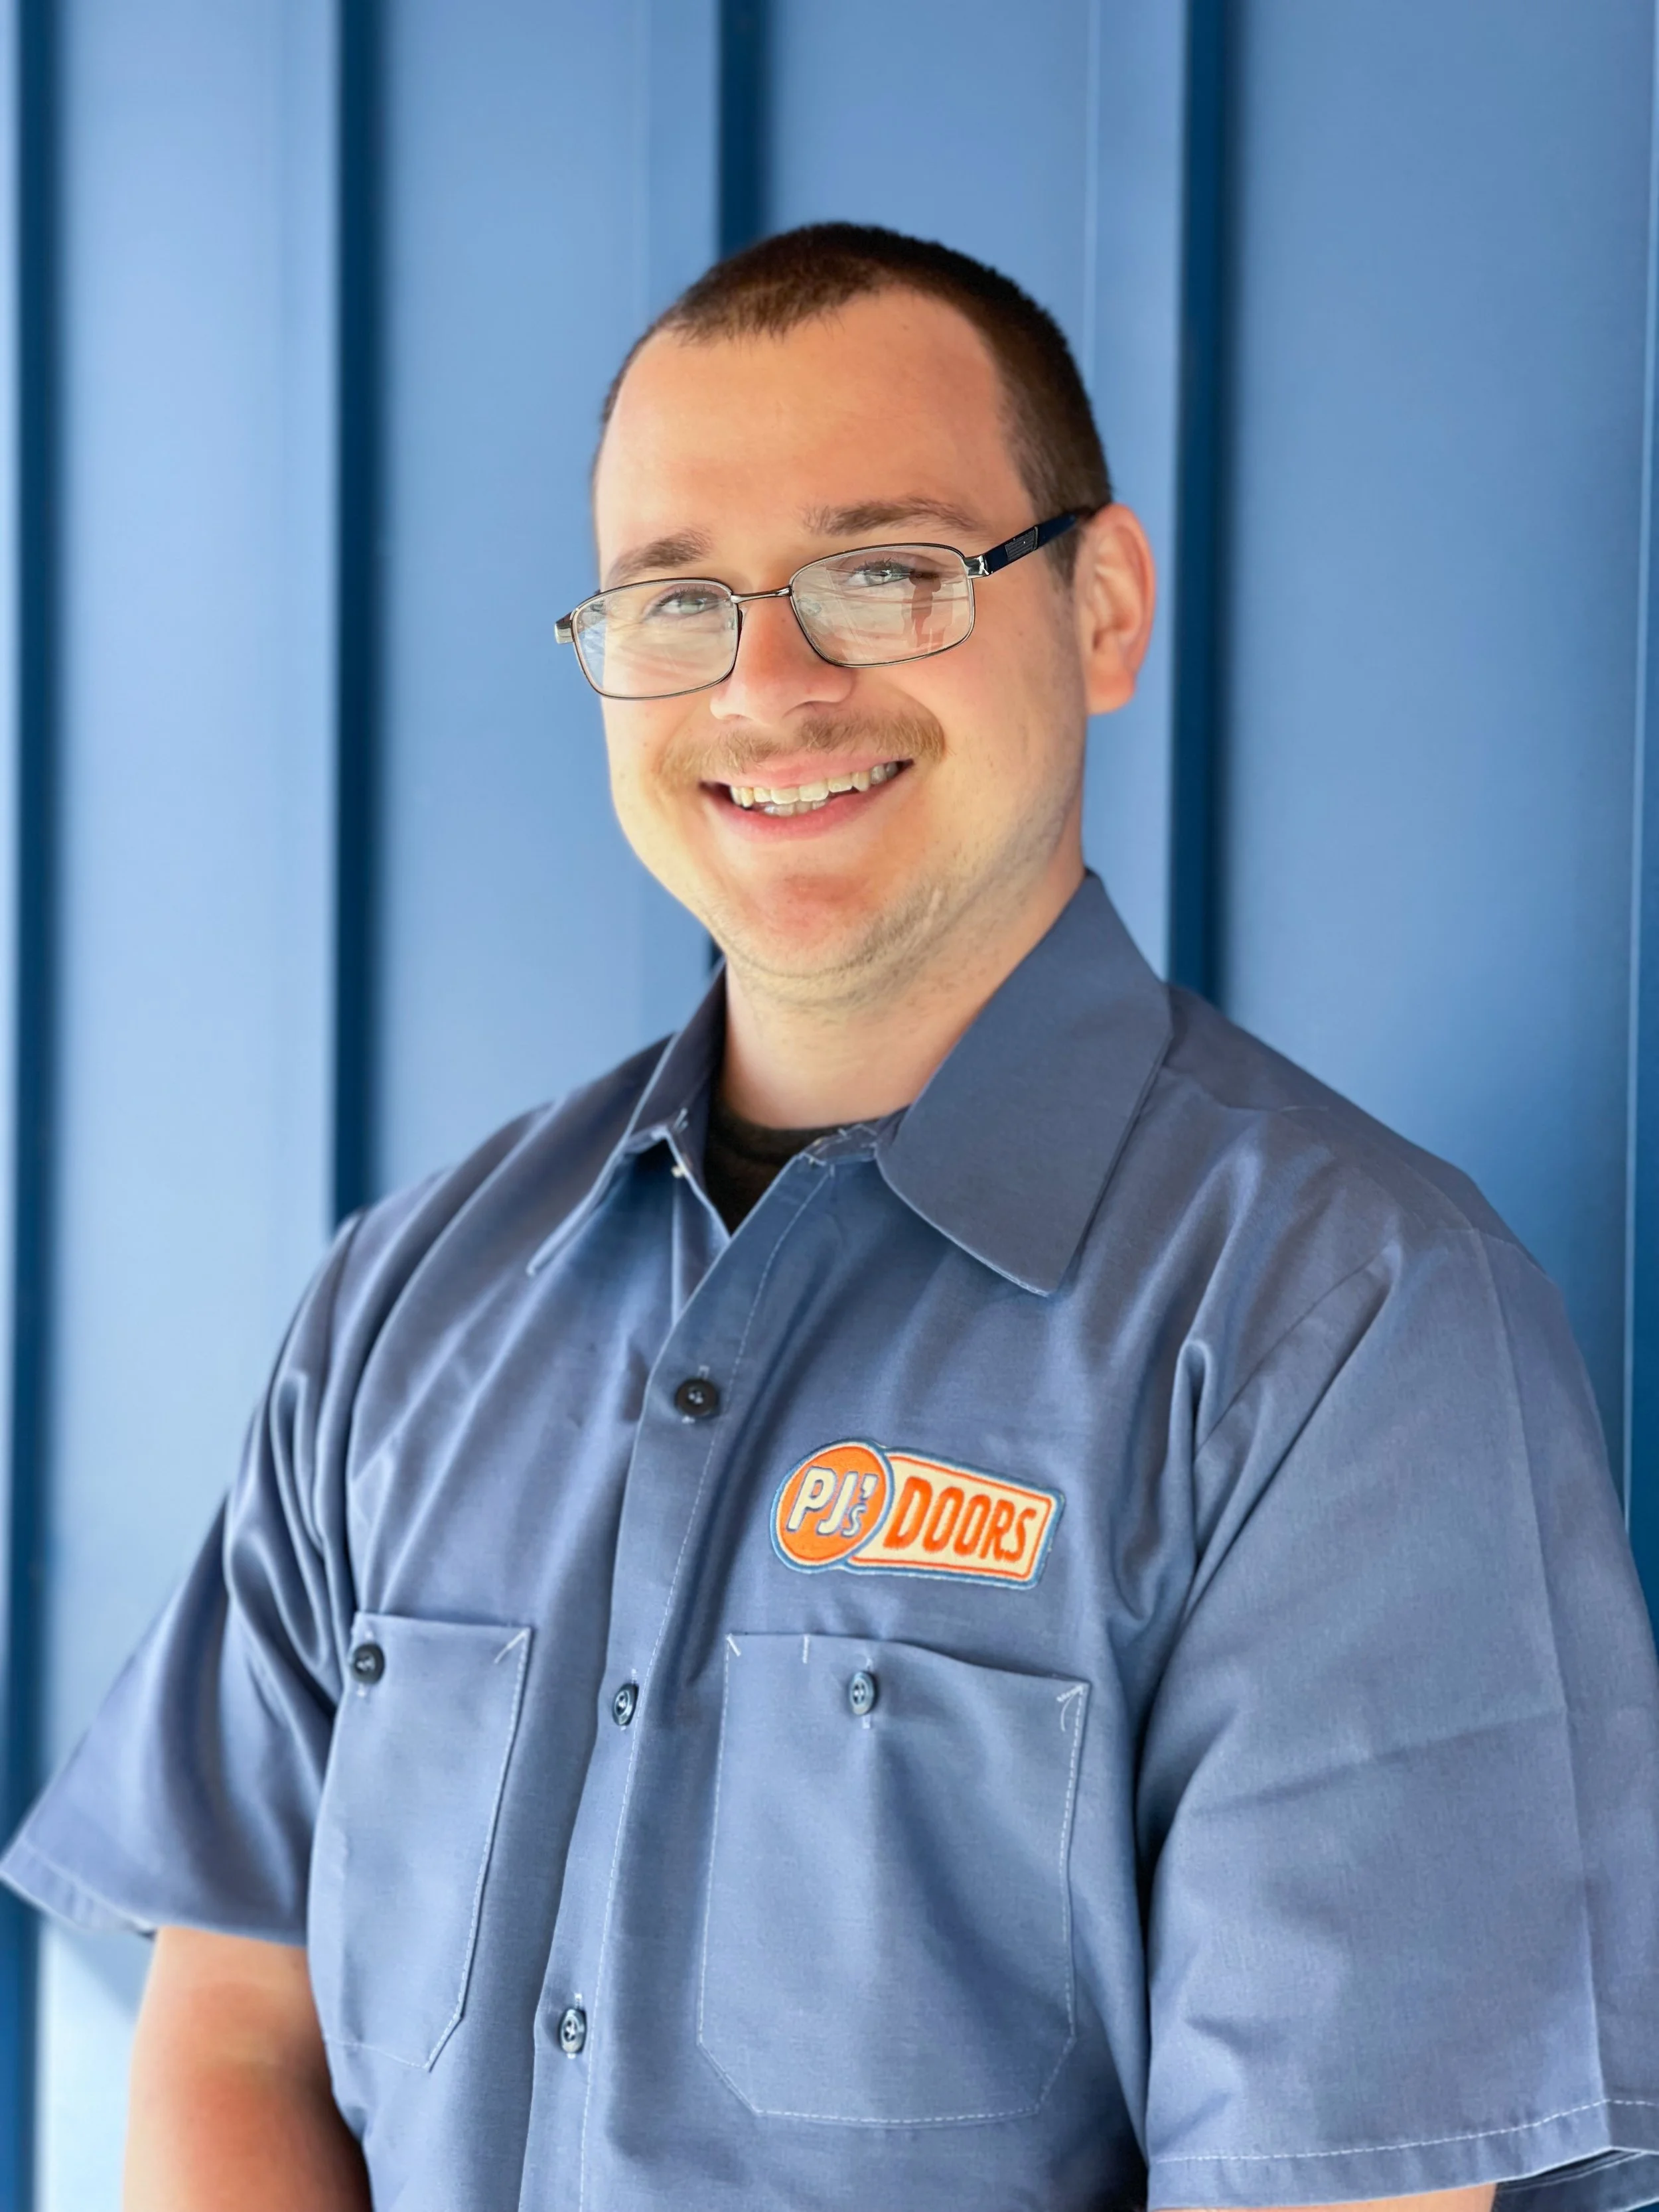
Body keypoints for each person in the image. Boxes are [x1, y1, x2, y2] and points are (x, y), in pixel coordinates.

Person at [5, 222, 1658, 2212]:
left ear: (1103, 608)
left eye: (884, 575)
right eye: (673, 597)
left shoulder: (1346, 1324)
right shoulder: (409, 1301)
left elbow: (1338, 2187)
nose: (769, 684)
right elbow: (236, 2031)